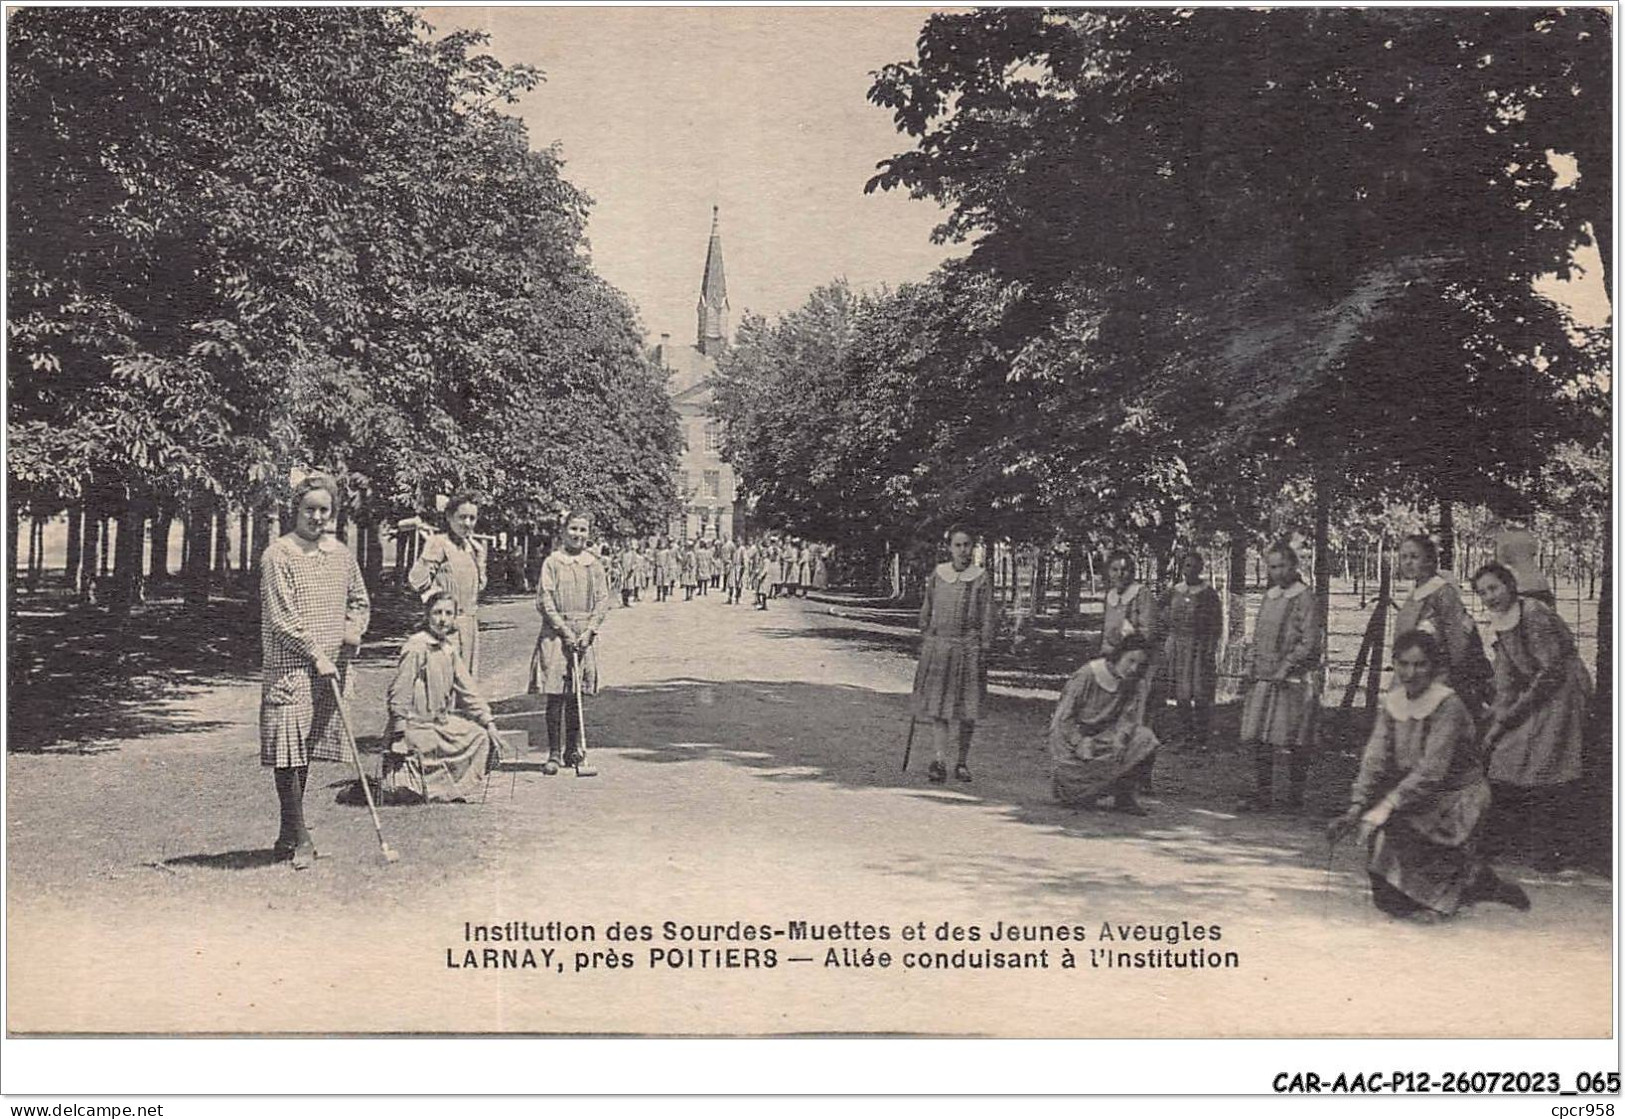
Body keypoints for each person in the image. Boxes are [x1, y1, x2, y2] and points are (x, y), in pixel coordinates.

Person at [1328, 631, 1530, 919]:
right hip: (1419, 795)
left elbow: (1432, 770)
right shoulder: (1394, 702)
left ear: (1434, 667)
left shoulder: (1448, 705)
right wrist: (1356, 807)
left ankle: (1474, 883)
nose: (1411, 673)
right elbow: (1375, 757)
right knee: (1387, 895)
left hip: (1458, 797)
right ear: (1394, 664)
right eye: (1404, 664)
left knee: (1403, 841)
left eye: (1420, 665)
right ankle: (1473, 881)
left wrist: (1386, 805)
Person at [259, 473, 370, 869]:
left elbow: (359, 599)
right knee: (287, 751)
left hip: (331, 668)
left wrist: (352, 633)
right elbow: (281, 619)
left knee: (303, 751)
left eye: (325, 510)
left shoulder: (340, 553)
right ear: (296, 510)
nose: (317, 517)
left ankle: (288, 832)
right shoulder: (278, 555)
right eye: (310, 509)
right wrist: (315, 655)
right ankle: (301, 835)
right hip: (291, 668)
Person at [1472, 562, 1594, 871]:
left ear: (1510, 586)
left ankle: (1553, 850)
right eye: (1483, 592)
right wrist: (1497, 718)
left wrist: (1512, 715)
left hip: (1562, 691)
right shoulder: (1501, 621)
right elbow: (1506, 677)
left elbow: (1550, 671)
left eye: (1494, 588)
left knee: (1546, 760)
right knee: (1504, 754)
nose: (1490, 596)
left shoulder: (1534, 614)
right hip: (1536, 689)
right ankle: (1501, 842)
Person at [381, 590, 500, 803]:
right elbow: (400, 689)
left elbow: (468, 689)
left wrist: (488, 721)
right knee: (411, 780)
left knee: (480, 736)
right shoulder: (417, 646)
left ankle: (452, 788)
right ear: (427, 615)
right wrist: (398, 730)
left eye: (448, 613)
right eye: (437, 613)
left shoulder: (449, 649)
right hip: (414, 725)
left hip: (440, 723)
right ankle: (418, 786)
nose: (442, 619)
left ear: (455, 617)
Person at [1239, 542, 1322, 813]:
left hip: (1292, 679)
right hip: (1265, 675)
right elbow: (1259, 634)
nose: (1277, 572)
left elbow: (1308, 640)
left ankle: (1295, 797)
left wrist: (1288, 666)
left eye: (1282, 566)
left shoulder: (1304, 597)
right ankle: (1264, 794)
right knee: (1262, 738)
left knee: (1295, 738)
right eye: (1272, 567)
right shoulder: (1270, 596)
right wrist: (1251, 665)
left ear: (1294, 566)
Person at [911, 526, 997, 784]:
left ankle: (961, 762)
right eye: (958, 545)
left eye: (967, 545)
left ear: (974, 547)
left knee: (966, 709)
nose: (963, 550)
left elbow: (988, 616)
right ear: (949, 548)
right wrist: (927, 637)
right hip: (940, 648)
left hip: (969, 649)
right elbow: (927, 609)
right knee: (939, 707)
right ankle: (939, 760)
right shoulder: (939, 575)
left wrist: (985, 646)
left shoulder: (981, 578)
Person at [528, 511, 610, 775]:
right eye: (573, 529)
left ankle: (572, 750)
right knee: (556, 696)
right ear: (563, 531)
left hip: (583, 633)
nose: (578, 534)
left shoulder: (593, 564)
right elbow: (544, 600)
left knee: (575, 695)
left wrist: (589, 631)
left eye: (583, 530)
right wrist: (563, 630)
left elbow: (602, 600)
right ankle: (553, 752)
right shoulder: (552, 562)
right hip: (555, 633)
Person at [1049, 634, 1160, 815]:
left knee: (1145, 738)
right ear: (1119, 655)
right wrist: (1079, 742)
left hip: (1105, 740)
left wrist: (1121, 737)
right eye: (1130, 660)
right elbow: (1063, 720)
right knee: (1077, 796)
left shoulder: (1134, 683)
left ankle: (1125, 796)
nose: (1133, 668)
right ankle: (1080, 790)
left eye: (1140, 665)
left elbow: (1129, 717)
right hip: (1075, 745)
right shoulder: (1087, 675)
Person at [1394, 534, 1491, 716]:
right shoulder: (1415, 593)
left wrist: (1456, 679)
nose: (1408, 562)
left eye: (1415, 557)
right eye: (1404, 557)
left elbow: (1457, 640)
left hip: (1440, 677)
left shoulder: (1442, 593)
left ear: (1430, 561)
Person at [406, 494, 487, 678]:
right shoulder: (438, 543)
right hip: (445, 625)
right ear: (449, 517)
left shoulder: (471, 548)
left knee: (466, 685)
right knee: (442, 683)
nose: (467, 523)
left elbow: (478, 588)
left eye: (472, 518)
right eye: (462, 517)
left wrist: (481, 559)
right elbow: (416, 582)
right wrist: (428, 553)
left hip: (469, 627)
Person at [1160, 551, 1222, 750]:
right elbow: (1157, 611)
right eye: (1187, 566)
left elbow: (1217, 623)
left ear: (1201, 568)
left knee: (1200, 692)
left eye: (1195, 566)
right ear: (1182, 568)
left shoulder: (1208, 593)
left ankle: (1202, 738)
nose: (1191, 570)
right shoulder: (1174, 591)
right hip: (1178, 647)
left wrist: (1210, 647)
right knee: (1182, 694)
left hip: (1199, 648)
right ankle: (1187, 735)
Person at [653, 537, 674, 603]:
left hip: (665, 567)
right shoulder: (657, 551)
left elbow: (669, 560)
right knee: (659, 582)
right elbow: (654, 559)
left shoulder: (667, 551)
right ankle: (658, 596)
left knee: (665, 582)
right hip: (658, 567)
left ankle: (664, 596)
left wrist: (669, 568)